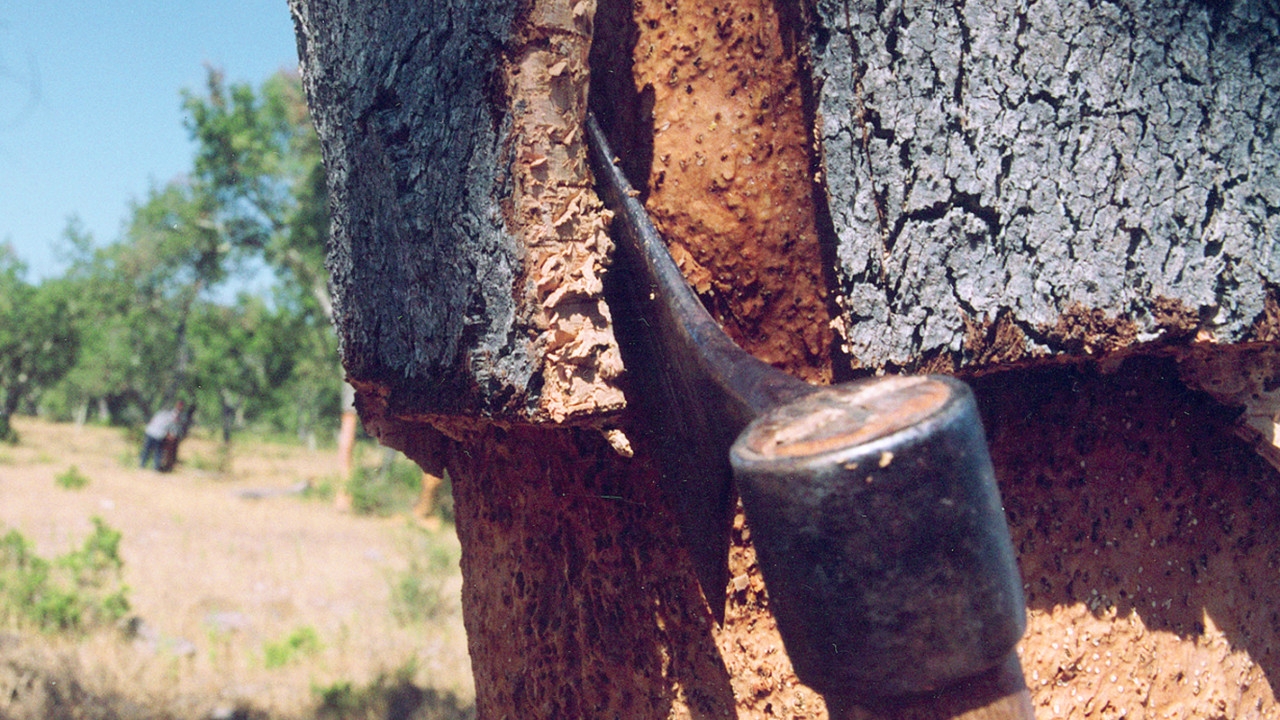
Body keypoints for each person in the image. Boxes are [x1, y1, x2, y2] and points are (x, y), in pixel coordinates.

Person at [140, 401, 184, 471]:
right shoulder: (172, 417)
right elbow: (172, 429)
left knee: (147, 450)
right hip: (158, 435)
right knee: (158, 452)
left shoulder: (160, 413)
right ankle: (155, 468)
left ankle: (142, 465)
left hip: (150, 432)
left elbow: (152, 421)